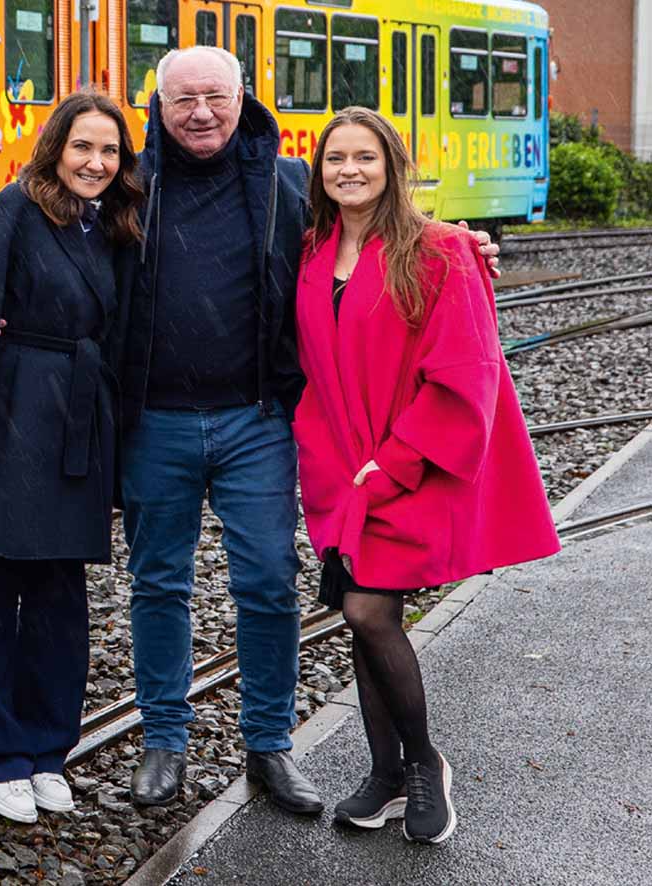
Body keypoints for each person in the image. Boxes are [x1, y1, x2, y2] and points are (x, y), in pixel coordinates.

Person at [113, 46, 502, 815]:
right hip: (155, 420)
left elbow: (376, 236)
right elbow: (60, 241)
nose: (200, 113)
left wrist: (469, 247)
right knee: (159, 582)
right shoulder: (130, 190)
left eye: (215, 98)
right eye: (183, 99)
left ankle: (269, 747)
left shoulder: (287, 184)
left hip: (257, 420)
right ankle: (165, 741)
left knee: (267, 582)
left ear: (241, 97)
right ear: (155, 106)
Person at [293, 106, 560, 843]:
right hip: (342, 469)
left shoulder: (438, 250)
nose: (349, 169)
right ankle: (383, 777)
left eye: (365, 158)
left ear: (393, 166)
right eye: (335, 158)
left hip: (406, 464)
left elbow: (466, 375)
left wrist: (397, 459)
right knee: (361, 613)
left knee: (369, 612)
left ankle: (422, 766)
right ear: (319, 171)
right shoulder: (313, 250)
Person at [0, 92, 143, 823]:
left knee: (59, 598)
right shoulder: (14, 208)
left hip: (80, 422)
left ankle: (47, 750)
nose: (96, 162)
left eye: (109, 151)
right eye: (83, 147)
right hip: (10, 411)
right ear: (55, 147)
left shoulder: (111, 225)